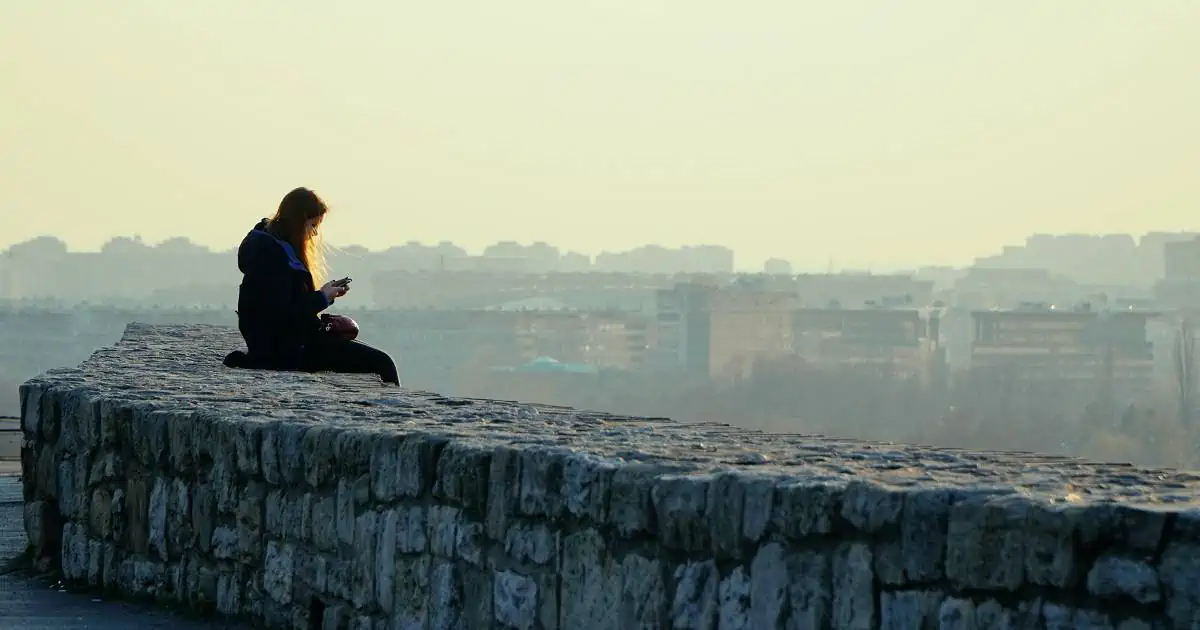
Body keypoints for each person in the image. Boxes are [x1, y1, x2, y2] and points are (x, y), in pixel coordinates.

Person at [222, 187, 400, 385]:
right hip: (286, 349)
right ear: (299, 222)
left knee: (376, 361)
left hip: (285, 344)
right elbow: (284, 312)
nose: (314, 233)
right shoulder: (272, 256)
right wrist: (322, 297)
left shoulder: (271, 248)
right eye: (313, 225)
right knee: (383, 363)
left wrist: (325, 293)